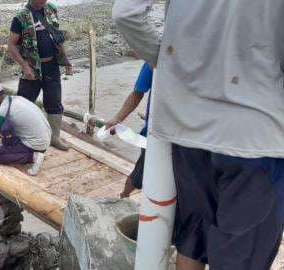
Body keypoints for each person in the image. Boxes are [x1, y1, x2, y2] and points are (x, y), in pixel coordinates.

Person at [113, 0, 284, 269]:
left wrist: (172, 65)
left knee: (193, 237)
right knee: (242, 257)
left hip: (186, 126)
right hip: (255, 135)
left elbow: (126, 13)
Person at [8, 0, 72, 151]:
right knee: (23, 103)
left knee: (54, 102)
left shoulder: (52, 9)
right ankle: (17, 136)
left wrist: (66, 60)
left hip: (52, 66)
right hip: (32, 67)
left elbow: (57, 36)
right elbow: (11, 45)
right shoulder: (21, 16)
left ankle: (54, 137)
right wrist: (24, 66)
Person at [104, 63, 153, 198]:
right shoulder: (154, 58)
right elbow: (138, 93)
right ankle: (124, 196)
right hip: (156, 135)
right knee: (140, 173)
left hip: (187, 137)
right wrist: (117, 119)